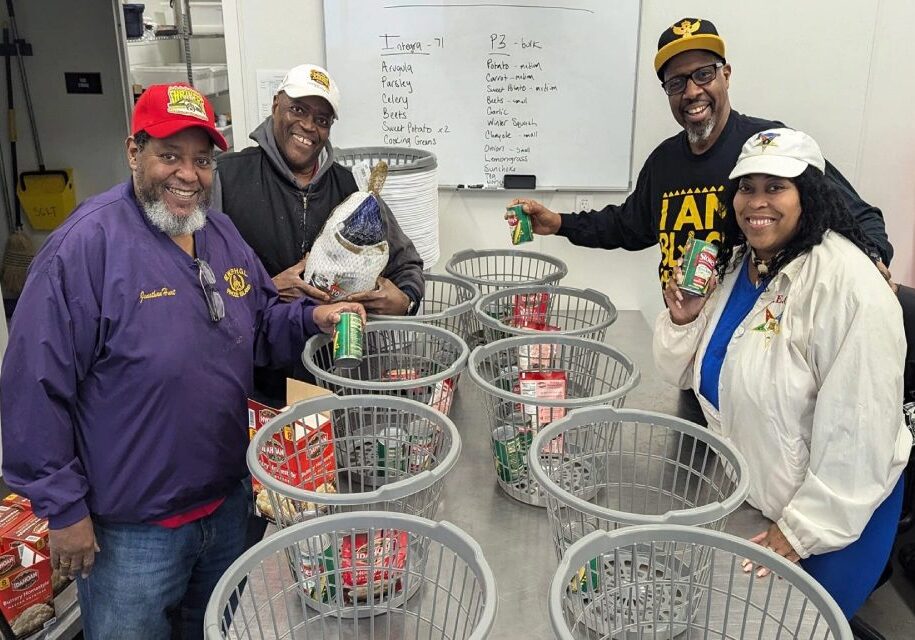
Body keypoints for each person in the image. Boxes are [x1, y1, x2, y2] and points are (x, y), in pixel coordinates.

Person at [0, 84, 365, 640]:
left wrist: (311, 318)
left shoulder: (219, 233)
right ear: (133, 152)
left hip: (226, 507)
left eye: (202, 160)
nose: (188, 175)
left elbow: (260, 323)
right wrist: (64, 509)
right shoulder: (85, 248)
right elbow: (33, 389)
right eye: (169, 155)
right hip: (132, 532)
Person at [652, 128, 911, 618]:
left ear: (809, 194)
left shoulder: (851, 289)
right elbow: (680, 374)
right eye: (747, 187)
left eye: (776, 187)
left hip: (834, 516)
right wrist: (685, 321)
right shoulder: (739, 266)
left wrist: (798, 532)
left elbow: (860, 438)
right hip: (756, 494)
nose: (757, 202)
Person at [508, 17, 893, 289]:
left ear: (726, 75)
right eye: (677, 82)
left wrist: (872, 262)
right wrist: (559, 223)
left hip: (756, 337)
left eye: (704, 74)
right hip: (683, 332)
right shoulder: (663, 162)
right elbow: (629, 225)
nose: (692, 91)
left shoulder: (769, 145)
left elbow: (858, 216)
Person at [212, 64, 425, 407]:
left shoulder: (351, 189)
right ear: (276, 104)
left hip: (336, 379)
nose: (309, 126)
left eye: (322, 119)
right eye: (298, 109)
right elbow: (196, 282)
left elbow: (407, 264)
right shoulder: (226, 177)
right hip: (255, 384)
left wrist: (404, 300)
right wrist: (265, 289)